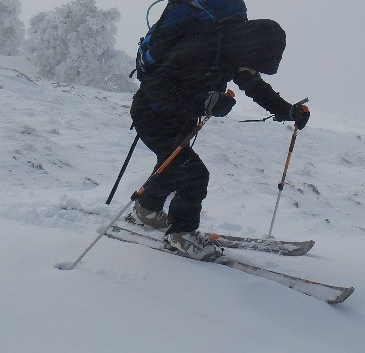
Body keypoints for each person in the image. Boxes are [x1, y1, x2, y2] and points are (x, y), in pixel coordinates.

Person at [129, 17, 309, 260]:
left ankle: (146, 211)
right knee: (194, 174)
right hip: (152, 115)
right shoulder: (200, 49)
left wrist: (287, 110)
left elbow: (255, 87)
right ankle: (181, 235)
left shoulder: (231, 54)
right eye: (253, 64)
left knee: (172, 167)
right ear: (250, 48)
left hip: (178, 120)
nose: (251, 70)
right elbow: (153, 86)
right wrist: (203, 103)